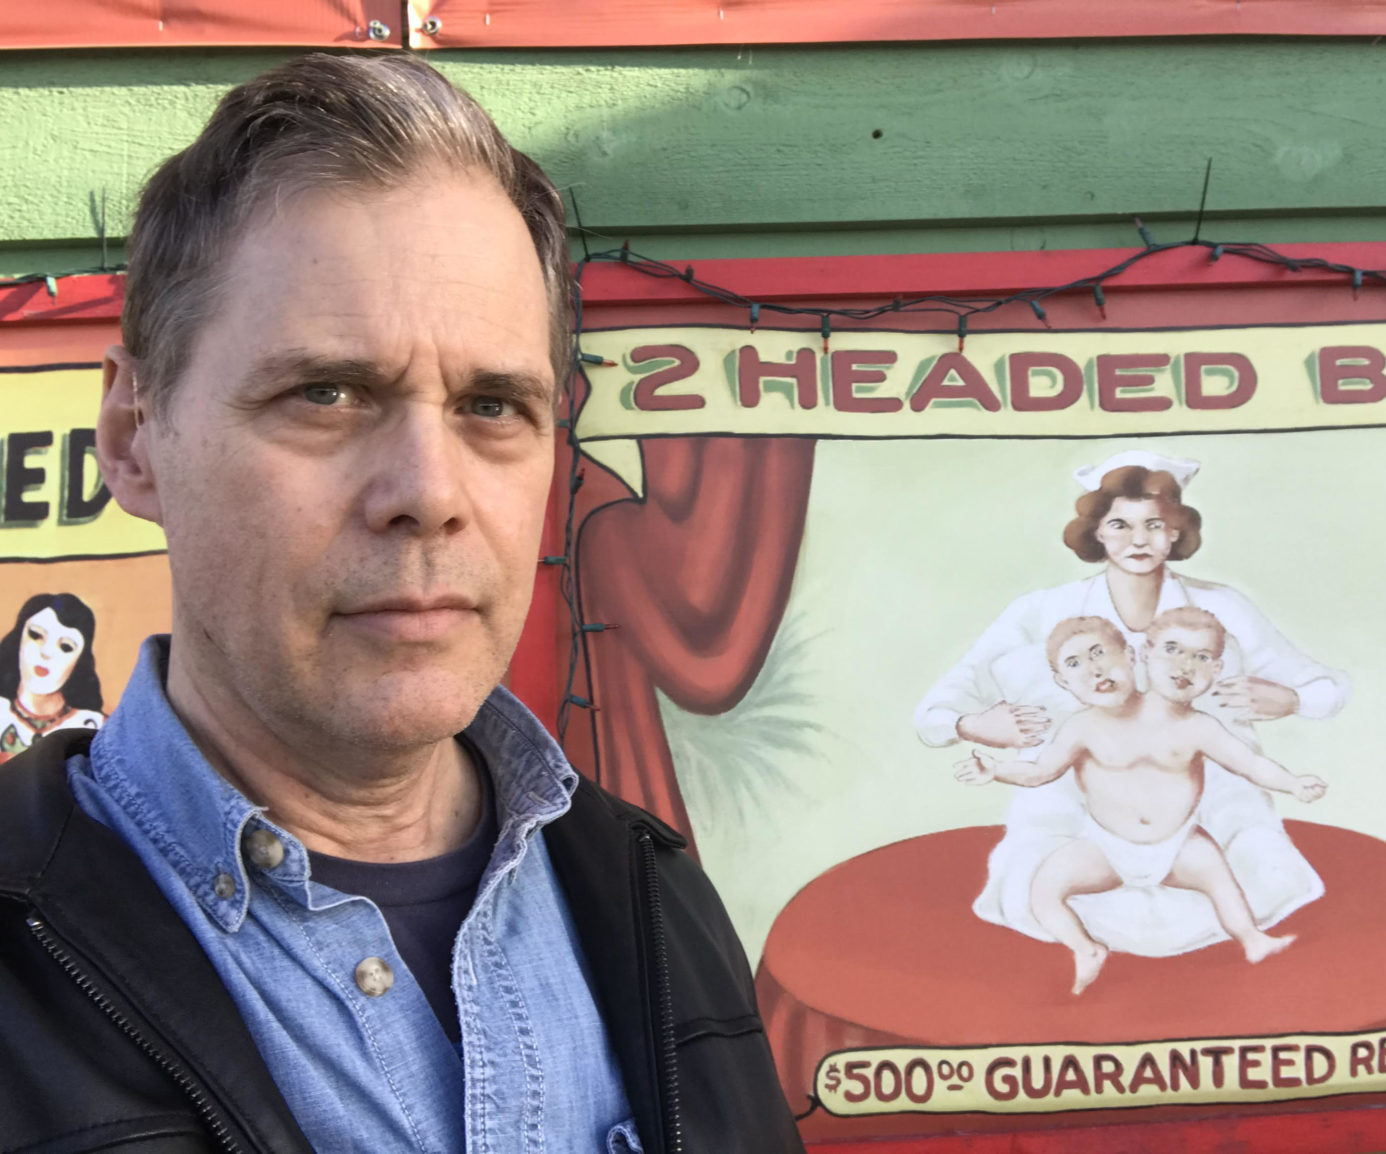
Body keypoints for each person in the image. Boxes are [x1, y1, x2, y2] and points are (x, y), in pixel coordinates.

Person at [0, 54, 802, 1154]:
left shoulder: (658, 900)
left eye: (492, 404)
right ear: (136, 435)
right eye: (326, 393)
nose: (429, 492)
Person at [918, 449, 1345, 957]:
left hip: (1208, 815)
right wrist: (972, 725)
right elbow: (934, 712)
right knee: (1040, 887)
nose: (1138, 541)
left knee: (1250, 881)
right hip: (1076, 817)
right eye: (1120, 525)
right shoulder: (1041, 610)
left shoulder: (1222, 606)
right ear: (1096, 532)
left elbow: (1328, 688)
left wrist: (1292, 699)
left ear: (1176, 531)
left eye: (1155, 524)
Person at [956, 610, 1326, 993]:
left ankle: (1252, 939)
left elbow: (1251, 764)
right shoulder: (1082, 727)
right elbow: (1039, 771)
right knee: (1043, 891)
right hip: (1106, 847)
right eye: (1075, 664)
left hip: (1178, 845)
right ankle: (1085, 948)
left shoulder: (1197, 726)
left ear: (1131, 656)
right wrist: (995, 770)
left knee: (1221, 881)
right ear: (1062, 681)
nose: (1095, 670)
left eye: (1100, 653)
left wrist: (1293, 783)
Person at [0, 592, 105, 760]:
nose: (46, 652)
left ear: (79, 662)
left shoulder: (94, 727)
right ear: (18, 640)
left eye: (66, 647)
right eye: (36, 635)